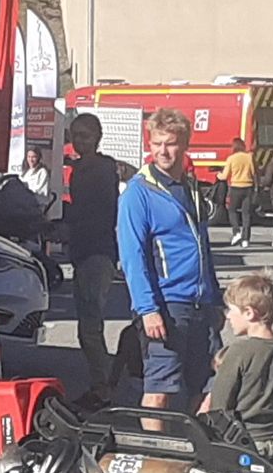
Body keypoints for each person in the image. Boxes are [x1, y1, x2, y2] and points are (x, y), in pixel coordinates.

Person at [117, 108, 223, 413]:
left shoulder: (190, 188)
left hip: (201, 304)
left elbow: (203, 247)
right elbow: (132, 257)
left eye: (171, 143)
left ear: (185, 144)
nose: (163, 151)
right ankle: (153, 443)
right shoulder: (138, 193)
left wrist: (215, 299)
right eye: (157, 143)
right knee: (160, 389)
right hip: (167, 305)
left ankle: (196, 440)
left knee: (210, 386)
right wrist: (147, 310)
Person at [199, 271, 273, 456]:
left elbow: (219, 407)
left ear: (249, 313)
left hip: (241, 441)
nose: (228, 316)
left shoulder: (239, 352)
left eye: (231, 310)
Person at [65, 113, 122, 407]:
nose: (79, 141)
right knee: (88, 325)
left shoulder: (97, 169)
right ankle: (103, 383)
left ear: (97, 138)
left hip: (95, 251)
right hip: (88, 251)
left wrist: (67, 223)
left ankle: (102, 388)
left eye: (84, 135)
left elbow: (94, 212)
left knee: (89, 325)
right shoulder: (88, 168)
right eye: (75, 135)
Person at [224, 137, 258, 248]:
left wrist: (218, 175)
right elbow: (253, 172)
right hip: (248, 187)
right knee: (246, 214)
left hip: (235, 188)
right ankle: (245, 240)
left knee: (232, 210)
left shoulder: (231, 158)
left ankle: (236, 232)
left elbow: (225, 175)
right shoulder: (249, 157)